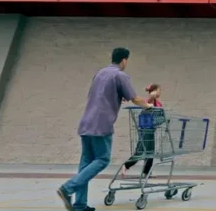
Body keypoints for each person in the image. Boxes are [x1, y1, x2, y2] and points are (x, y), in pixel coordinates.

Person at [57, 48, 151, 211]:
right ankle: (68, 188)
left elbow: (101, 95)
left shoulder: (100, 73)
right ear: (124, 60)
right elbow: (135, 98)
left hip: (86, 122)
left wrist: (117, 96)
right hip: (101, 124)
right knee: (102, 159)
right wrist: (148, 106)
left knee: (86, 164)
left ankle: (80, 205)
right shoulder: (120, 75)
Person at [119, 83, 163, 179]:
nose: (159, 93)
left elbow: (160, 115)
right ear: (153, 92)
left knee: (150, 152)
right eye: (158, 91)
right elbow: (149, 102)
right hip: (145, 131)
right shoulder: (148, 102)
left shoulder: (158, 104)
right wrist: (152, 95)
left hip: (151, 131)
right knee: (140, 152)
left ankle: (146, 173)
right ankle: (126, 165)